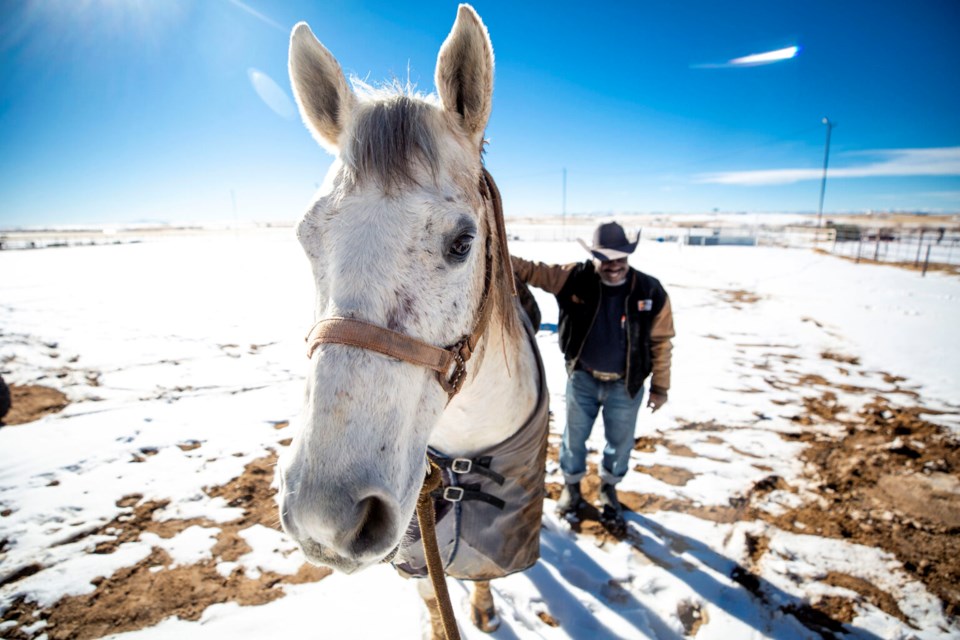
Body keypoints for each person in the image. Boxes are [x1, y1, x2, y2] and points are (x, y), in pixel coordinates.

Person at [511, 221, 675, 526]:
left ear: (629, 256)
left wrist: (660, 388)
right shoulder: (574, 277)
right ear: (594, 256)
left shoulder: (650, 290)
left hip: (626, 386)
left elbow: (661, 343)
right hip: (582, 379)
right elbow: (529, 270)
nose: (613, 266)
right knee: (574, 440)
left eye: (620, 259)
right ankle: (571, 489)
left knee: (620, 443)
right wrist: (488, 249)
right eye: (605, 258)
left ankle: (608, 488)